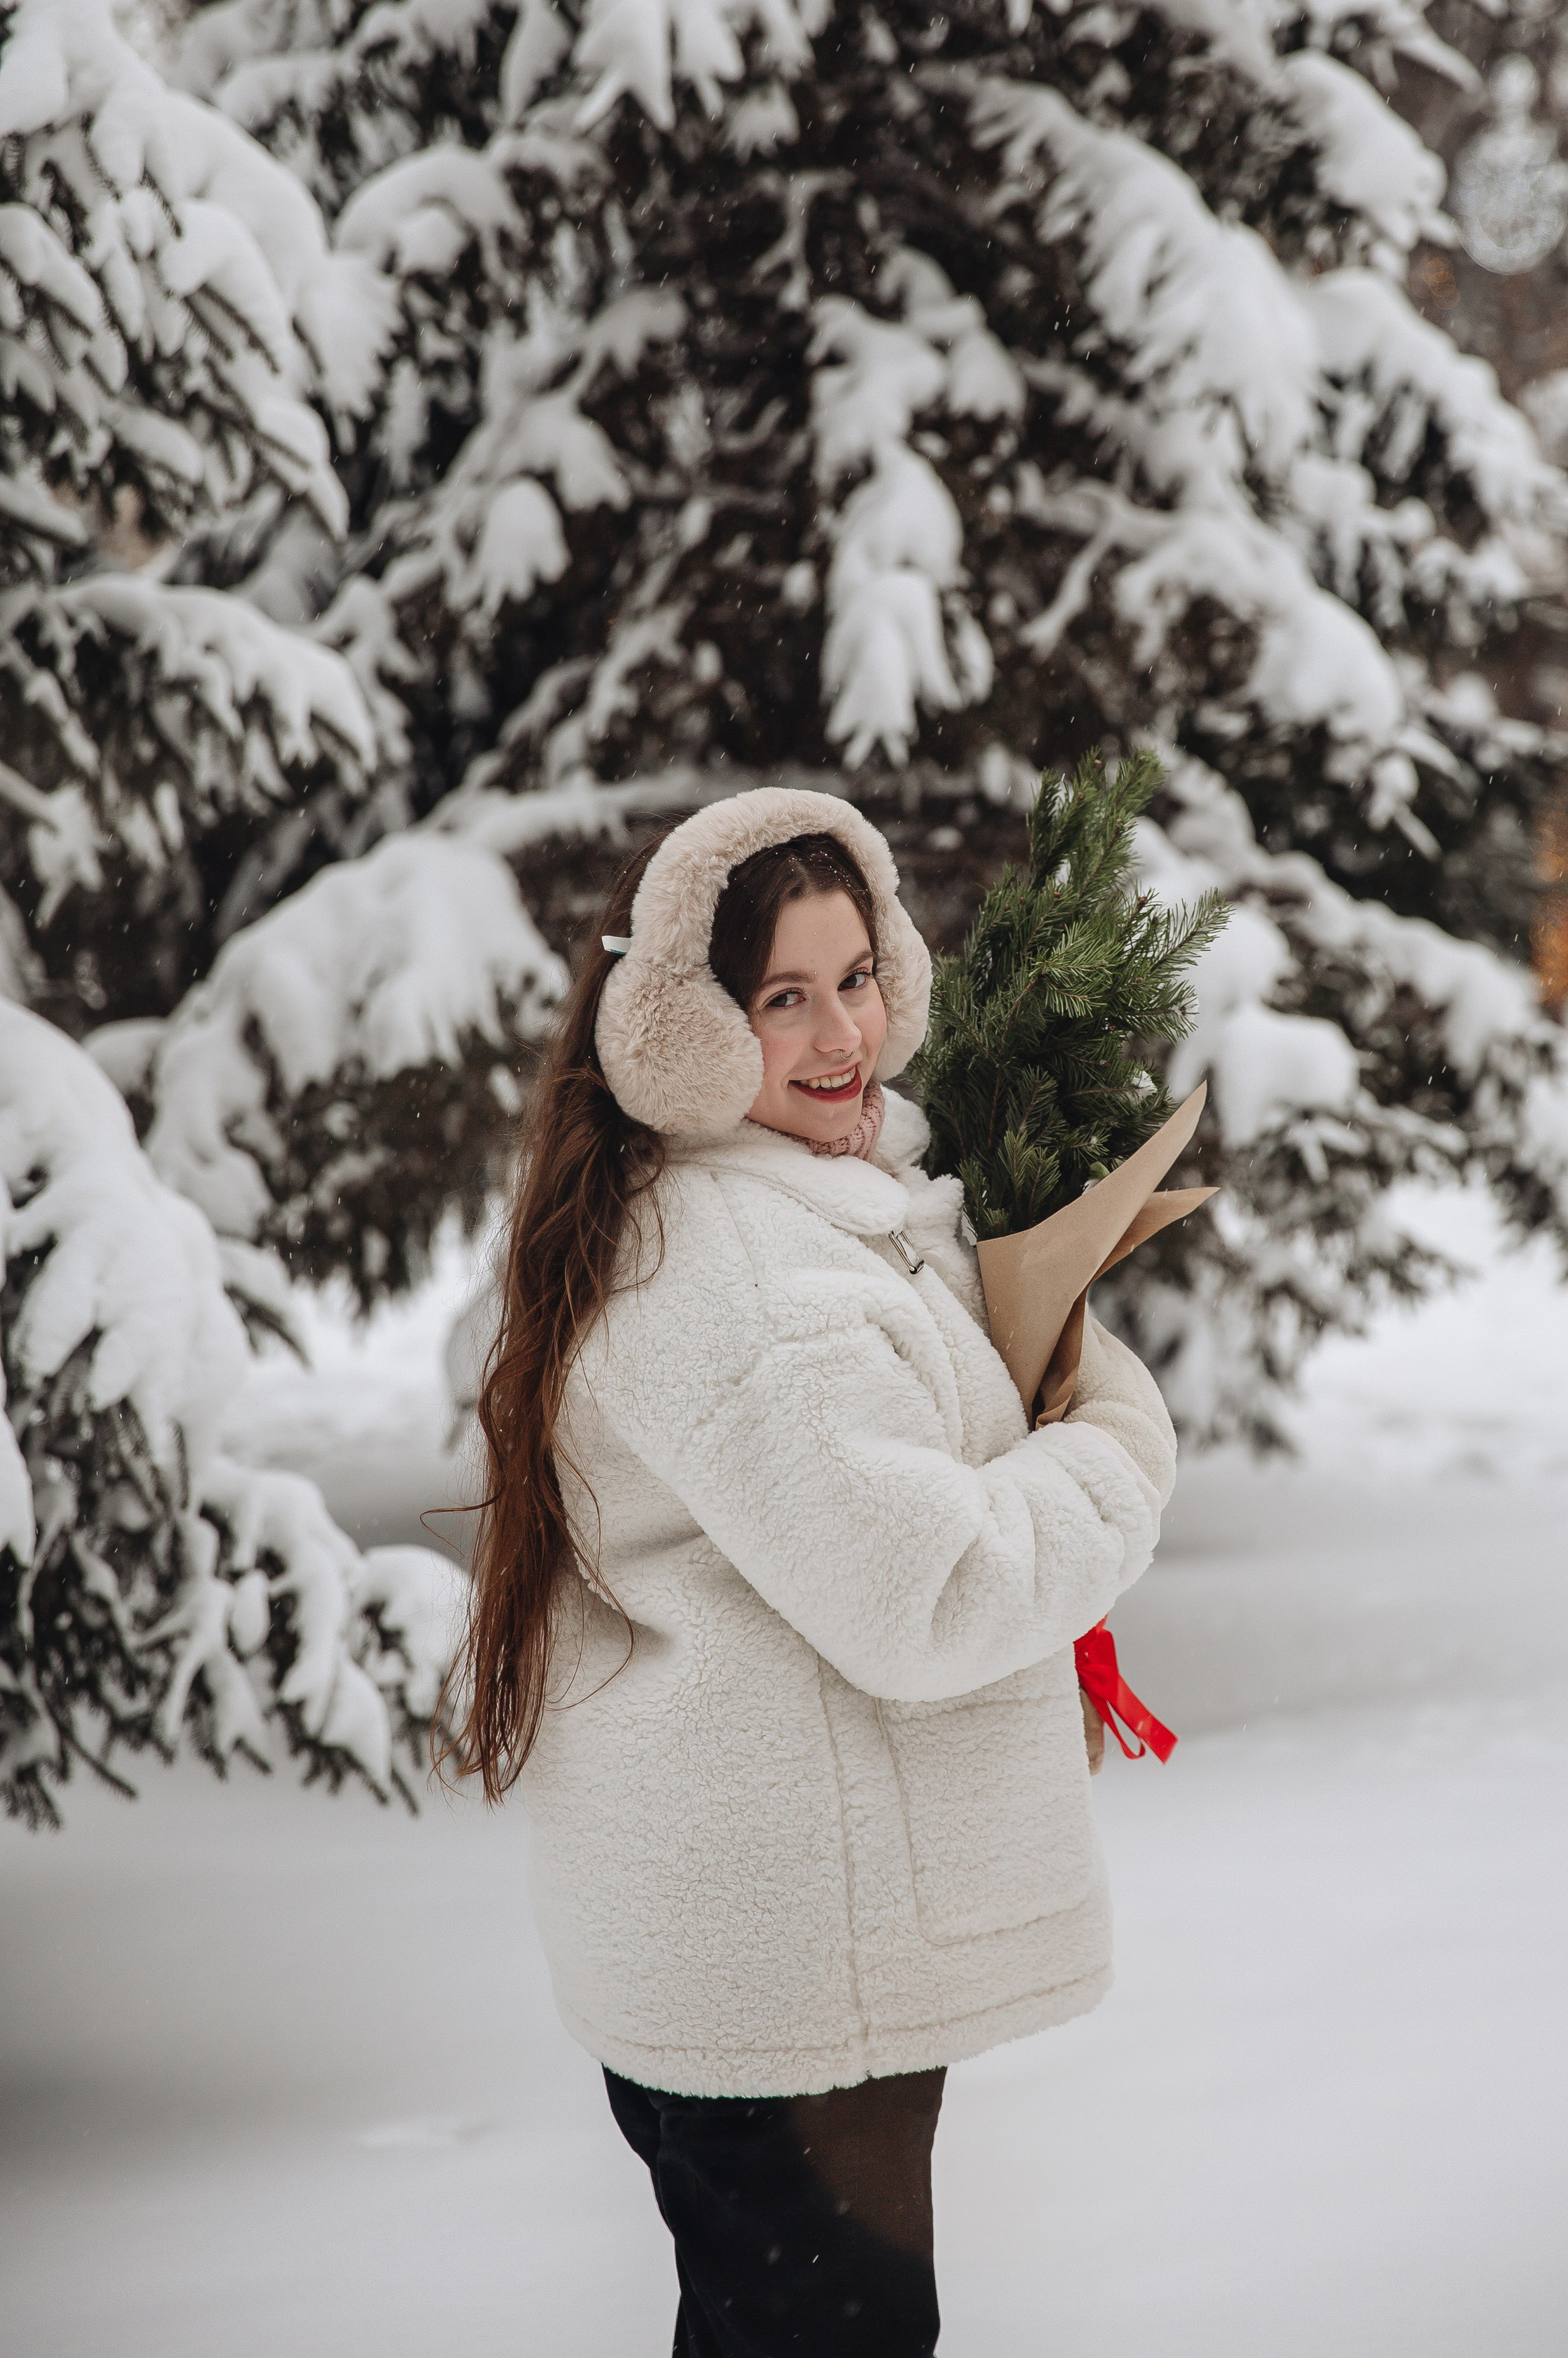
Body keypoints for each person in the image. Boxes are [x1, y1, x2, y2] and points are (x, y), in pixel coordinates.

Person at [459, 787, 1177, 2357]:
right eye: (782, 997)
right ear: (687, 1030)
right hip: (790, 1993)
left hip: (759, 1967)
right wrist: (1118, 1447)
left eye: (856, 975)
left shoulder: (768, 1207)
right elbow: (933, 1595)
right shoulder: (741, 1270)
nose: (843, 1032)